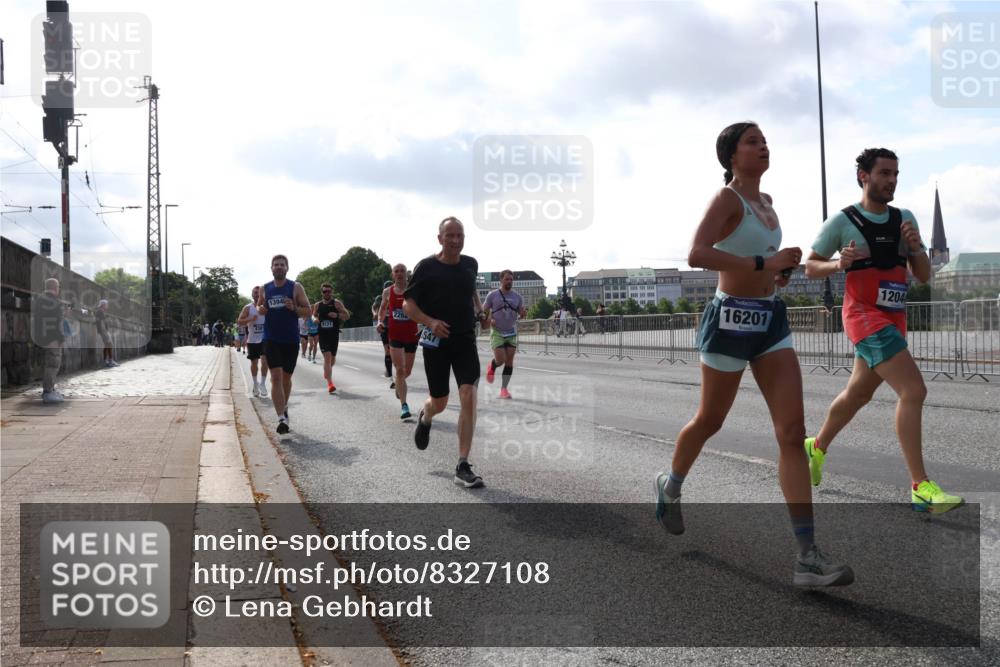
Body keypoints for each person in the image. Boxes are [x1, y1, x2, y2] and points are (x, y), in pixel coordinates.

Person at [654, 121, 853, 588]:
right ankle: (671, 484)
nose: (763, 147)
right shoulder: (726, 199)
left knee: (791, 432)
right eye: (752, 141)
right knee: (710, 420)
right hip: (728, 320)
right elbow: (697, 253)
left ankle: (807, 555)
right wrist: (763, 262)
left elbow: (763, 263)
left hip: (770, 320)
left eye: (765, 141)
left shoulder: (768, 203)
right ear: (730, 156)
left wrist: (779, 271)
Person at [804, 148, 963, 514]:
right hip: (862, 315)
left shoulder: (904, 218)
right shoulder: (842, 222)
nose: (891, 180)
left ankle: (817, 446)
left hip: (894, 317)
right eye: (884, 173)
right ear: (864, 176)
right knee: (913, 389)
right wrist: (836, 263)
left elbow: (923, 275)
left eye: (896, 174)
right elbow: (810, 267)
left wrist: (916, 247)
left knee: (858, 394)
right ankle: (920, 486)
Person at [404, 217, 488, 488]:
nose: (455, 239)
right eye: (449, 235)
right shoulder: (426, 267)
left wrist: (479, 311)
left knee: (469, 395)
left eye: (459, 235)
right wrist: (430, 322)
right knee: (439, 401)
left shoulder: (470, 264)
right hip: (435, 341)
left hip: (464, 339)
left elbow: (471, 289)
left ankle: (462, 464)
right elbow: (408, 305)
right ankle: (426, 415)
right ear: (439, 238)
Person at [256, 255, 312, 434]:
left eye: (282, 265)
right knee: (276, 377)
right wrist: (261, 309)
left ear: (287, 268)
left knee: (286, 379)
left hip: (291, 340)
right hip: (271, 338)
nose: (279, 267)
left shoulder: (295, 287)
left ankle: (284, 406)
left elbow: (308, 311)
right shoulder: (265, 288)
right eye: (276, 265)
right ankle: (281, 418)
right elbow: (259, 306)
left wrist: (294, 308)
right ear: (271, 268)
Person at [377, 264, 419, 418]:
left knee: (407, 371)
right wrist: (380, 322)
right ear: (392, 274)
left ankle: (398, 386)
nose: (400, 274)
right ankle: (404, 406)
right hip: (394, 335)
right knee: (400, 369)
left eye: (402, 271)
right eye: (397, 271)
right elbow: (382, 309)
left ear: (406, 273)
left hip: (411, 334)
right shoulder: (387, 292)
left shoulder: (414, 289)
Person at [483, 269, 526, 399]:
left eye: (511, 279)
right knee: (500, 360)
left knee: (509, 361)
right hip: (497, 331)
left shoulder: (517, 297)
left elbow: (521, 314)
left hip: (511, 331)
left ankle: (504, 389)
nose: (509, 282)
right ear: (501, 280)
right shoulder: (492, 295)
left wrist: (523, 314)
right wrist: (489, 320)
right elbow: (483, 311)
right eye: (507, 279)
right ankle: (493, 365)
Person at [33, 278, 68, 404]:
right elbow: (57, 322)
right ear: (55, 287)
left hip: (40, 336)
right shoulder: (55, 302)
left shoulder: (39, 300)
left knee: (48, 364)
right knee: (53, 364)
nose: (59, 289)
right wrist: (61, 338)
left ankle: (50, 389)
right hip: (52, 338)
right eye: (58, 287)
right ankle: (48, 392)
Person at [312, 283, 351, 393]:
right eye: (325, 291)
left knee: (332, 360)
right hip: (323, 335)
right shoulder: (318, 305)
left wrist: (337, 315)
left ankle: (327, 371)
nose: (327, 293)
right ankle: (330, 383)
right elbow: (313, 314)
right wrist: (314, 319)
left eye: (329, 291)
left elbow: (347, 316)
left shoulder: (337, 303)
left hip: (334, 335)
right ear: (322, 293)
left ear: (332, 292)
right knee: (327, 358)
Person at [238, 287, 269, 397]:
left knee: (265, 361)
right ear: (252, 295)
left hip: (265, 338)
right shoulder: (248, 308)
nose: (257, 295)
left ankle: (263, 384)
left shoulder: (266, 307)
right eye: (255, 293)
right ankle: (255, 384)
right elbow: (239, 321)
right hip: (252, 340)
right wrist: (250, 320)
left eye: (259, 293)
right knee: (254, 363)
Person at [372, 280, 394, 382]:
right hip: (384, 326)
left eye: (391, 287)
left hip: (395, 326)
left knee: (395, 350)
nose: (389, 289)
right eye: (387, 288)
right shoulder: (380, 298)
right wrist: (375, 313)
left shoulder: (398, 294)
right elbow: (374, 306)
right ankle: (390, 374)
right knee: (388, 351)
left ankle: (392, 370)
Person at [94, 299, 118, 367]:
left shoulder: (101, 311)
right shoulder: (100, 311)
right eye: (106, 304)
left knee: (107, 344)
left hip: (103, 330)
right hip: (103, 330)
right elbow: (102, 321)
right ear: (103, 305)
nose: (107, 306)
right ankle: (110, 360)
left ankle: (107, 361)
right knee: (109, 344)